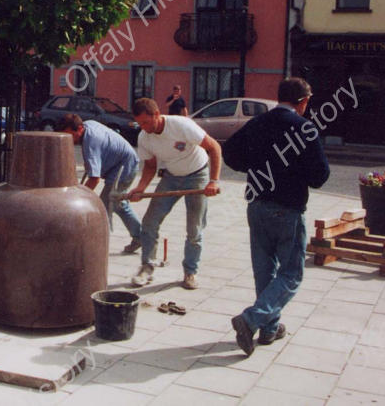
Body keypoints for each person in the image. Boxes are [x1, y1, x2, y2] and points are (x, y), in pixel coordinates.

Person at [222, 78, 330, 356]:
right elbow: (320, 175)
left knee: (264, 269)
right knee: (292, 273)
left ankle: (270, 328)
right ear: (303, 101)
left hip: (257, 205)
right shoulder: (304, 128)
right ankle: (252, 319)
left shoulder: (258, 123)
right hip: (288, 207)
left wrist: (255, 167)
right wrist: (295, 173)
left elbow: (230, 152)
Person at [126, 97, 221, 290]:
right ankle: (147, 267)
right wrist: (141, 188)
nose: (143, 127)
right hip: (171, 177)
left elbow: (214, 147)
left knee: (194, 229)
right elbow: (150, 165)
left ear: (157, 115)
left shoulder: (181, 125)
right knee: (149, 222)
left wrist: (213, 181)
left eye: (146, 122)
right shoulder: (144, 137)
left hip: (197, 175)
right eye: (140, 123)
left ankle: (190, 272)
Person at [56, 113, 143, 253]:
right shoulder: (88, 124)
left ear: (79, 128)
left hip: (125, 167)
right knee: (118, 204)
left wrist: (78, 197)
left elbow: (94, 179)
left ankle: (98, 247)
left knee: (104, 205)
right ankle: (140, 236)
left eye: (70, 136)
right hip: (121, 163)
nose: (70, 141)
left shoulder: (91, 142)